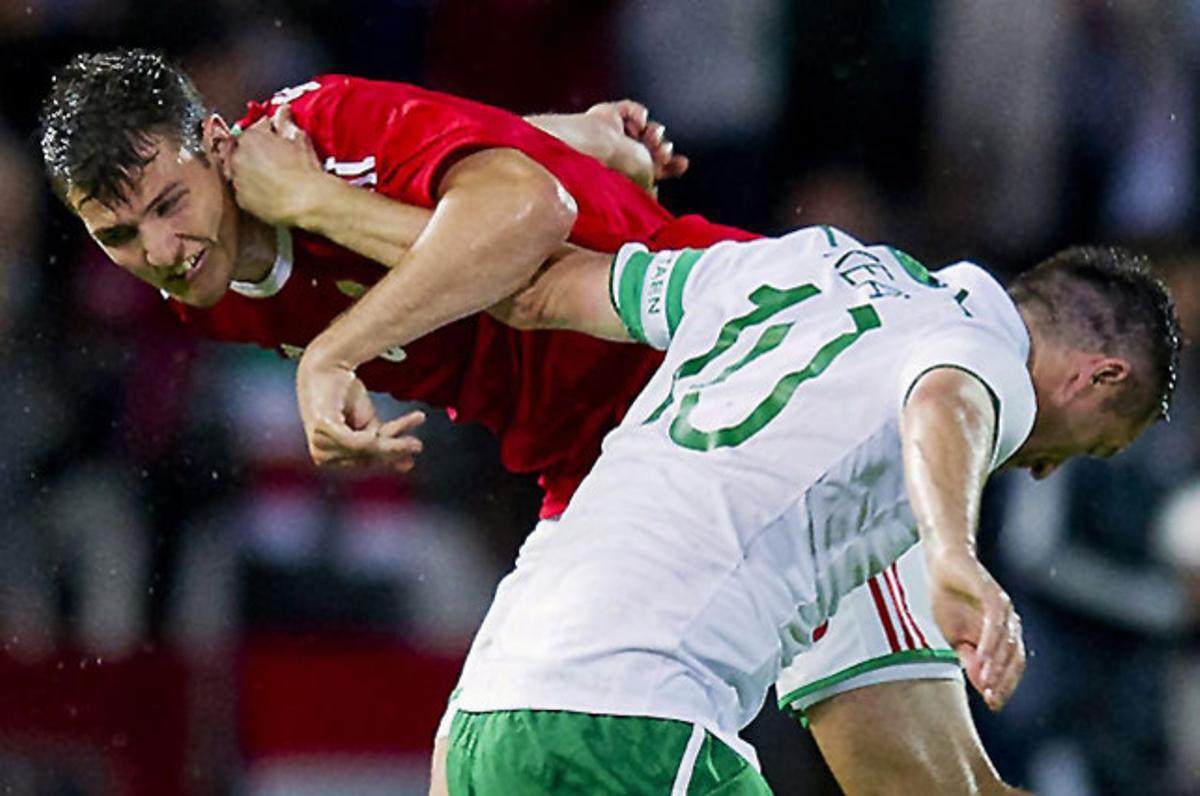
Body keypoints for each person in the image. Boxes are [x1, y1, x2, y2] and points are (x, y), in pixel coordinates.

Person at [40, 49, 1022, 794]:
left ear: (217, 144)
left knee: (917, 781)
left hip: (730, 392)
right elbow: (451, 171)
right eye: (117, 233)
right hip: (601, 459)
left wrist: (335, 331)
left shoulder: (317, 135)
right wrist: (561, 134)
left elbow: (527, 223)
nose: (162, 247)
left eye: (171, 201)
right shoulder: (200, 281)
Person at [444, 229, 1179, 793]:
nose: (1048, 469)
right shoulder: (986, 359)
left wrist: (342, 305)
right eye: (1097, 445)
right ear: (1098, 376)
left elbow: (537, 288)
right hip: (637, 719)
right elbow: (947, 398)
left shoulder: (792, 261)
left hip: (482, 712)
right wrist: (954, 556)